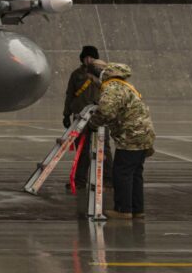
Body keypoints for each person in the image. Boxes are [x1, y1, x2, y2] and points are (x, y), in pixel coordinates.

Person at [89, 61, 156, 220]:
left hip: (130, 136)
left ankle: (123, 209)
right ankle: (137, 209)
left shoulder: (112, 87)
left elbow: (106, 111)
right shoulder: (125, 85)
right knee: (135, 173)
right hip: (143, 134)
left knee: (122, 173)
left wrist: (93, 123)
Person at [63, 46, 103, 191]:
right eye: (86, 57)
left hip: (99, 116)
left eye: (91, 57)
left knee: (104, 150)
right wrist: (66, 114)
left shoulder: (103, 74)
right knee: (82, 149)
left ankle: (108, 181)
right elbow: (69, 95)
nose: (88, 60)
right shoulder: (76, 74)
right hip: (80, 116)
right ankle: (80, 180)